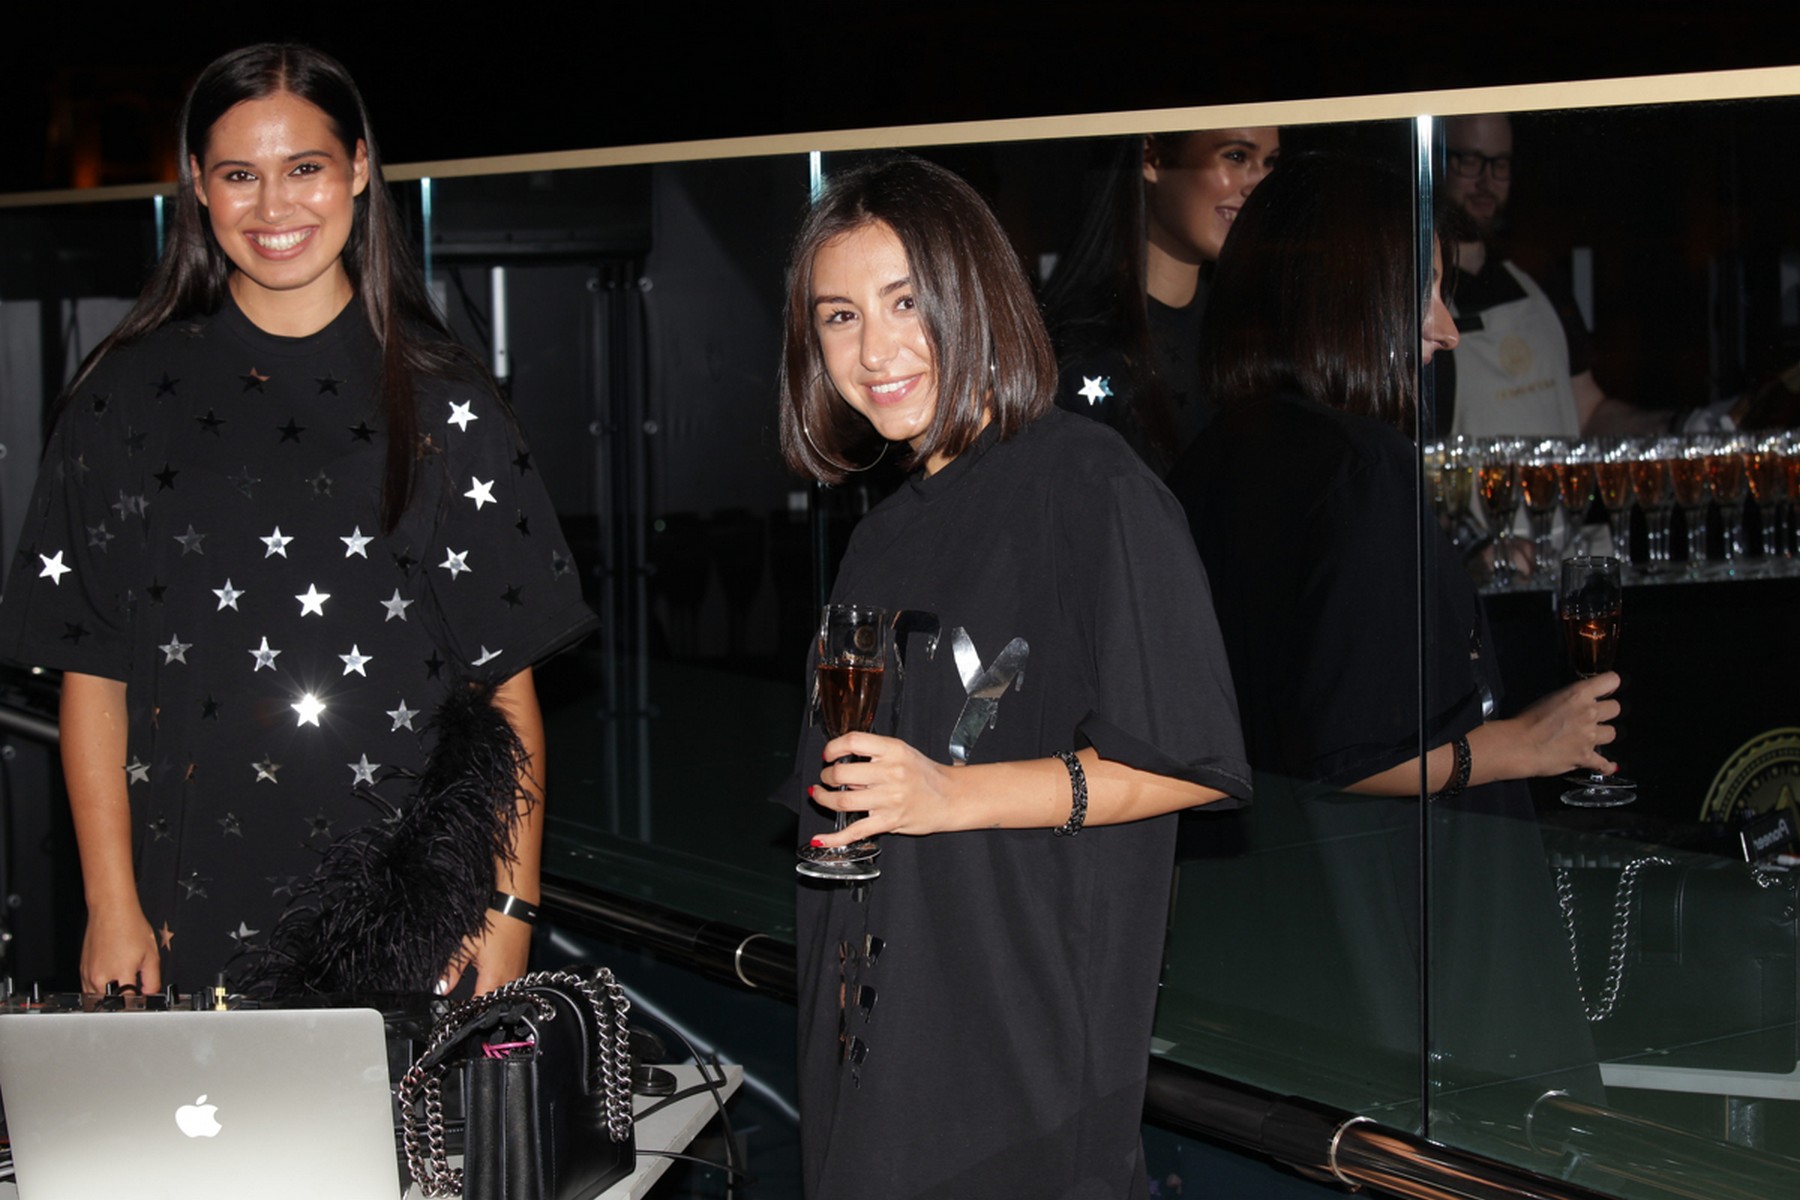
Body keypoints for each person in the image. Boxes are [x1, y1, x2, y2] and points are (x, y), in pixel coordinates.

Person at [0, 44, 596, 997]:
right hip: (181, 905)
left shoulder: (449, 400)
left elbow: (504, 691)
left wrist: (508, 908)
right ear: (198, 185)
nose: (274, 207)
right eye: (240, 174)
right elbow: (95, 676)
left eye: (304, 167)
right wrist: (109, 905)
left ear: (358, 167)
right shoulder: (124, 397)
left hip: (414, 914)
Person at [779, 157, 1251, 1197]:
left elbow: (1190, 765)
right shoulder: (879, 540)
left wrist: (954, 795)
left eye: (906, 302)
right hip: (872, 1053)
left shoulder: (1093, 487)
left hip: (1020, 1076)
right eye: (840, 317)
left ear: (975, 295)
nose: (875, 349)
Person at [1170, 154, 1613, 1105]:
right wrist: (1528, 744)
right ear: (1347, 297)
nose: (1446, 330)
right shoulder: (1362, 468)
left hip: (1262, 959)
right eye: (1425, 295)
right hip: (1399, 971)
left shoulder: (1212, 457)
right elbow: (1351, 757)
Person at [1043, 128, 1280, 472]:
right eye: (1236, 156)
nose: (1257, 183)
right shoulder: (1080, 345)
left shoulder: (1254, 330)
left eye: (1270, 162)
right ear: (1151, 158)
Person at [1436, 113, 1664, 438]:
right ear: (1436, 162)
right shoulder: (1419, 291)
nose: (1487, 182)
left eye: (1501, 164)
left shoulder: (1536, 271)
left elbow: (1587, 409)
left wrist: (1680, 425)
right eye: (1471, 161)